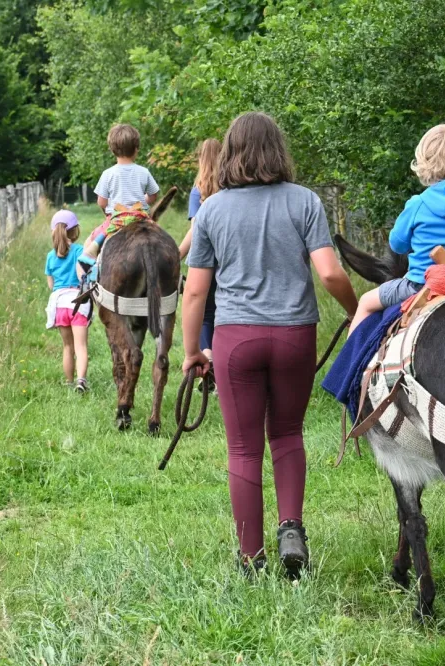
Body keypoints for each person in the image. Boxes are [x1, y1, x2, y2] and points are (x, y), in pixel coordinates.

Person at [181, 112, 358, 577]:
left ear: (230, 154)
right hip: (295, 335)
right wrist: (356, 310)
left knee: (243, 448)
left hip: (235, 338)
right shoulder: (304, 201)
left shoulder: (212, 210)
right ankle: (291, 528)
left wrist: (192, 351)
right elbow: (329, 273)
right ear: (278, 150)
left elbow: (195, 292)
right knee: (287, 433)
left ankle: (251, 557)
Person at [348, 123, 445, 334]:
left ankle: (350, 356)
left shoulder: (418, 204)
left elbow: (397, 244)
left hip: (420, 285)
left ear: (426, 163)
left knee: (366, 302)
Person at [79, 124, 161, 271]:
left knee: (91, 242)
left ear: (112, 150)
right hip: (141, 219)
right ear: (136, 149)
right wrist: (143, 201)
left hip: (116, 220)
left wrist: (109, 210)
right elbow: (153, 195)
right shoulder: (144, 172)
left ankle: (91, 272)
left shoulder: (108, 174)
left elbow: (101, 202)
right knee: (161, 239)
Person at [179, 139, 221, 358]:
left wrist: (178, 254)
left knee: (205, 312)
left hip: (204, 260)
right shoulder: (231, 187)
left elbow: (196, 229)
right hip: (227, 257)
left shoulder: (199, 191)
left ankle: (207, 354)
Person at [44, 209, 92, 393]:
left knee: (67, 346)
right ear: (75, 231)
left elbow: (51, 285)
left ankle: (69, 382)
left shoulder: (50, 256)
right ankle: (81, 381)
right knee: (81, 346)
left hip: (59, 304)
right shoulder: (80, 251)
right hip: (78, 303)